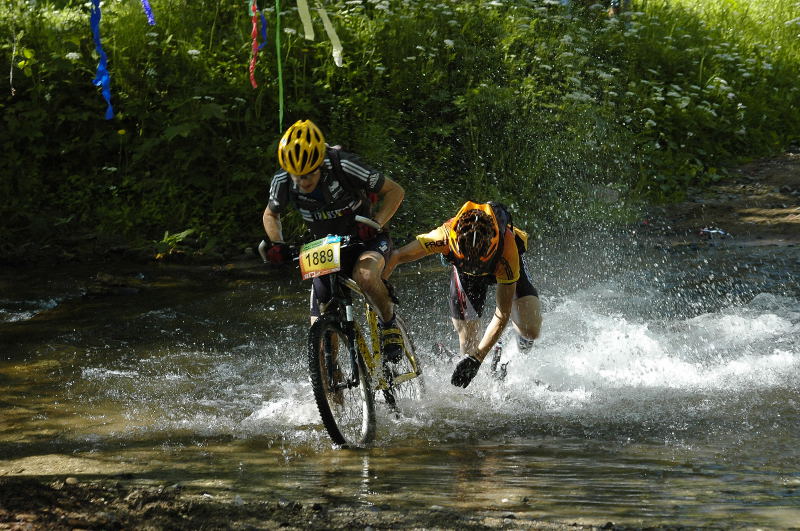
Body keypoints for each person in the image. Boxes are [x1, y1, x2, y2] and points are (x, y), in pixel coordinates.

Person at [262, 119, 406, 361]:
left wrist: (376, 223)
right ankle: (330, 381)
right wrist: (277, 244)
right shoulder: (283, 180)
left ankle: (389, 324)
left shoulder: (344, 165)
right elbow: (270, 214)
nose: (303, 182)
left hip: (365, 239)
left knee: (366, 277)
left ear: (320, 164)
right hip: (326, 249)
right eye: (298, 176)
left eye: (309, 175)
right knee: (320, 342)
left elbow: (395, 191)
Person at [385, 201, 542, 388]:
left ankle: (518, 341)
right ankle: (485, 368)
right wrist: (380, 286)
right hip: (465, 278)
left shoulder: (508, 249)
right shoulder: (443, 235)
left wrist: (478, 359)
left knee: (530, 330)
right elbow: (397, 256)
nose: (473, 265)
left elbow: (502, 314)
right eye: (468, 260)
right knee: (468, 347)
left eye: (477, 261)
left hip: (502, 266)